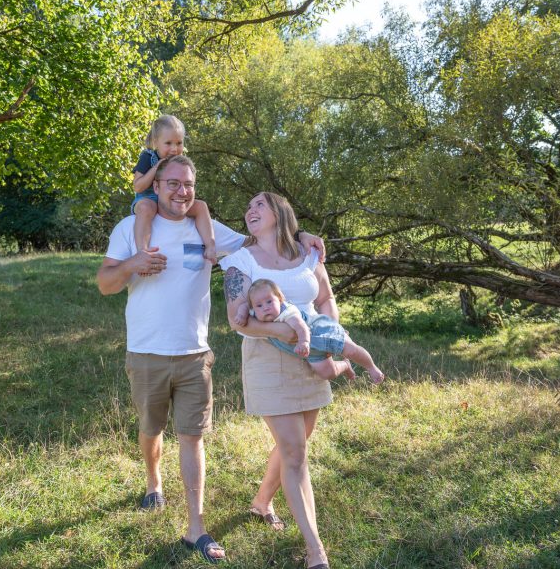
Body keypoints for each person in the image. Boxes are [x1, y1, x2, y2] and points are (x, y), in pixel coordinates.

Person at [97, 155, 326, 564]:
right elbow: (105, 284)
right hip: (146, 351)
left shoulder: (210, 231)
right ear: (157, 184)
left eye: (188, 184)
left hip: (194, 353)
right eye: (173, 183)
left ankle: (195, 529)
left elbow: (263, 240)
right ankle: (153, 482)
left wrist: (304, 233)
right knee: (151, 429)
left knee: (193, 436)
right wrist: (134, 264)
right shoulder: (131, 228)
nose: (181, 191)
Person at [220, 191, 352, 569]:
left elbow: (325, 297)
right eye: (247, 207)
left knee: (296, 442)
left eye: (258, 204)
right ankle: (316, 551)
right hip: (269, 356)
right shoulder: (239, 262)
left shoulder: (309, 254)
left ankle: (261, 502)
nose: (250, 210)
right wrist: (283, 332)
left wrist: (331, 331)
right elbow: (237, 319)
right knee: (295, 452)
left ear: (279, 212)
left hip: (312, 353)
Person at [238, 278, 385, 384]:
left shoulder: (288, 312)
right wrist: (241, 313)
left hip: (319, 333)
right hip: (312, 351)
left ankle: (371, 367)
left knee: (351, 350)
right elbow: (245, 305)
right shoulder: (255, 313)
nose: (265, 307)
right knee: (327, 373)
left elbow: (301, 327)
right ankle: (345, 365)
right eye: (259, 305)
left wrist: (304, 342)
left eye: (270, 301)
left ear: (280, 300)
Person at [131, 115, 217, 265]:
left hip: (171, 202)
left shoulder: (179, 160)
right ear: (156, 142)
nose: (174, 149)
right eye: (168, 143)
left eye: (179, 143)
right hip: (148, 199)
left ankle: (210, 245)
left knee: (201, 206)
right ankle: (142, 252)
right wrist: (156, 168)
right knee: (146, 208)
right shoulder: (148, 157)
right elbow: (138, 186)